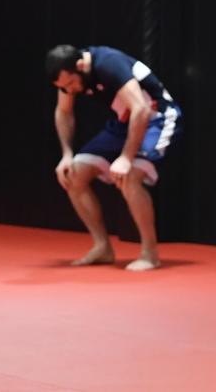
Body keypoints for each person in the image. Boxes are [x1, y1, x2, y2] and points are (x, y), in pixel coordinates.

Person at [46, 43, 182, 271]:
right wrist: (67, 154)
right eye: (63, 88)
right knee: (74, 174)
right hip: (125, 121)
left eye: (70, 84)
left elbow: (141, 109)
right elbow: (63, 111)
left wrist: (127, 158)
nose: (69, 91)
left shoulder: (109, 63)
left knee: (130, 177)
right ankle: (102, 247)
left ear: (80, 65)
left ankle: (150, 253)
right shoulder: (71, 76)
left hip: (157, 117)